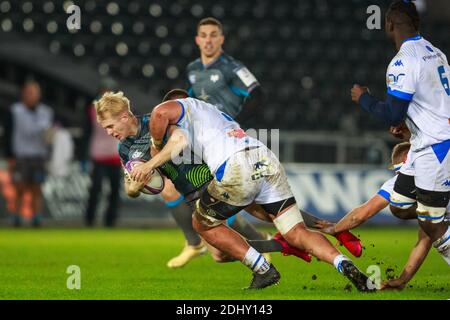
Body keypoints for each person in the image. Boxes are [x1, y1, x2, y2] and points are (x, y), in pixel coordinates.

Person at [130, 94, 374, 291]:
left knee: (202, 224)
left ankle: (264, 270)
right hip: (263, 156)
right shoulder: (210, 111)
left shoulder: (177, 109)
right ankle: (344, 264)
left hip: (236, 166)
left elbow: (161, 113)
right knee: (296, 231)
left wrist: (157, 143)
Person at [351, 0, 450, 265]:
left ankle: (443, 209)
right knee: (400, 205)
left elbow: (392, 114)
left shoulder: (402, 62)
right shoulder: (435, 51)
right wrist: (410, 123)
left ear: (390, 24)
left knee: (431, 224)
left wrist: (363, 99)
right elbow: (431, 101)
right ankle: (444, 206)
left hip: (436, 144)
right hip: (425, 140)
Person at [316, 141, 449, 289]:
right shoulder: (438, 170)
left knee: (398, 208)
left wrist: (335, 228)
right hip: (440, 208)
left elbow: (362, 213)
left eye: (398, 169)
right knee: (430, 228)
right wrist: (402, 280)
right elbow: (424, 239)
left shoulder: (399, 183)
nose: (397, 175)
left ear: (407, 159)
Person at [186, 17, 264, 128]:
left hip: (229, 137)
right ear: (197, 40)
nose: (208, 40)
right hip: (203, 135)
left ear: (221, 39)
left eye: (213, 35)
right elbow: (187, 98)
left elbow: (257, 95)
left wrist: (235, 123)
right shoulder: (192, 68)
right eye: (203, 36)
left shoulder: (233, 67)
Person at [3, 81, 54, 227]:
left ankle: (36, 218)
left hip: (39, 156)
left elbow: (50, 135)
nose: (31, 95)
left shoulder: (46, 112)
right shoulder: (14, 111)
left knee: (36, 188)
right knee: (19, 187)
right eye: (28, 92)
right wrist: (10, 156)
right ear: (23, 94)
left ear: (39, 94)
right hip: (21, 155)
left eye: (34, 92)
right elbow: (7, 134)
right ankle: (17, 217)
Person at [82, 78, 122, 227]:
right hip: (98, 156)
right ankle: (90, 219)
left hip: (115, 156)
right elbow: (87, 134)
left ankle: (111, 220)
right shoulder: (92, 111)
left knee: (114, 192)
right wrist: (84, 156)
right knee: (95, 190)